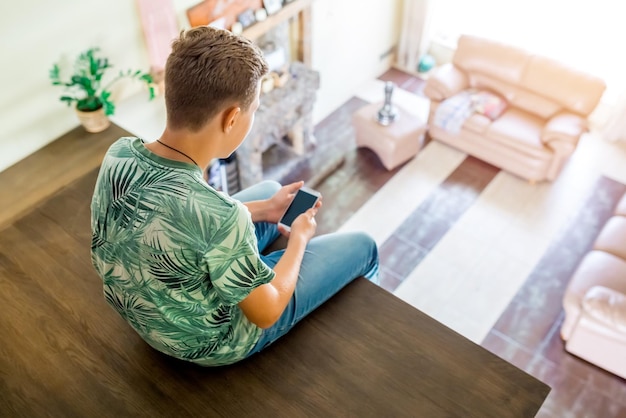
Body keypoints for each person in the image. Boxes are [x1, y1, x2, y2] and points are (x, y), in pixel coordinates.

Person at [90, 26, 379, 367]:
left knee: (270, 193)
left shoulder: (120, 153)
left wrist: (262, 210)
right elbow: (267, 312)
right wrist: (298, 239)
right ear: (231, 118)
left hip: (145, 316)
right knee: (364, 246)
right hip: (209, 342)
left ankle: (268, 212)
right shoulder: (223, 217)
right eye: (254, 109)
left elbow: (178, 215)